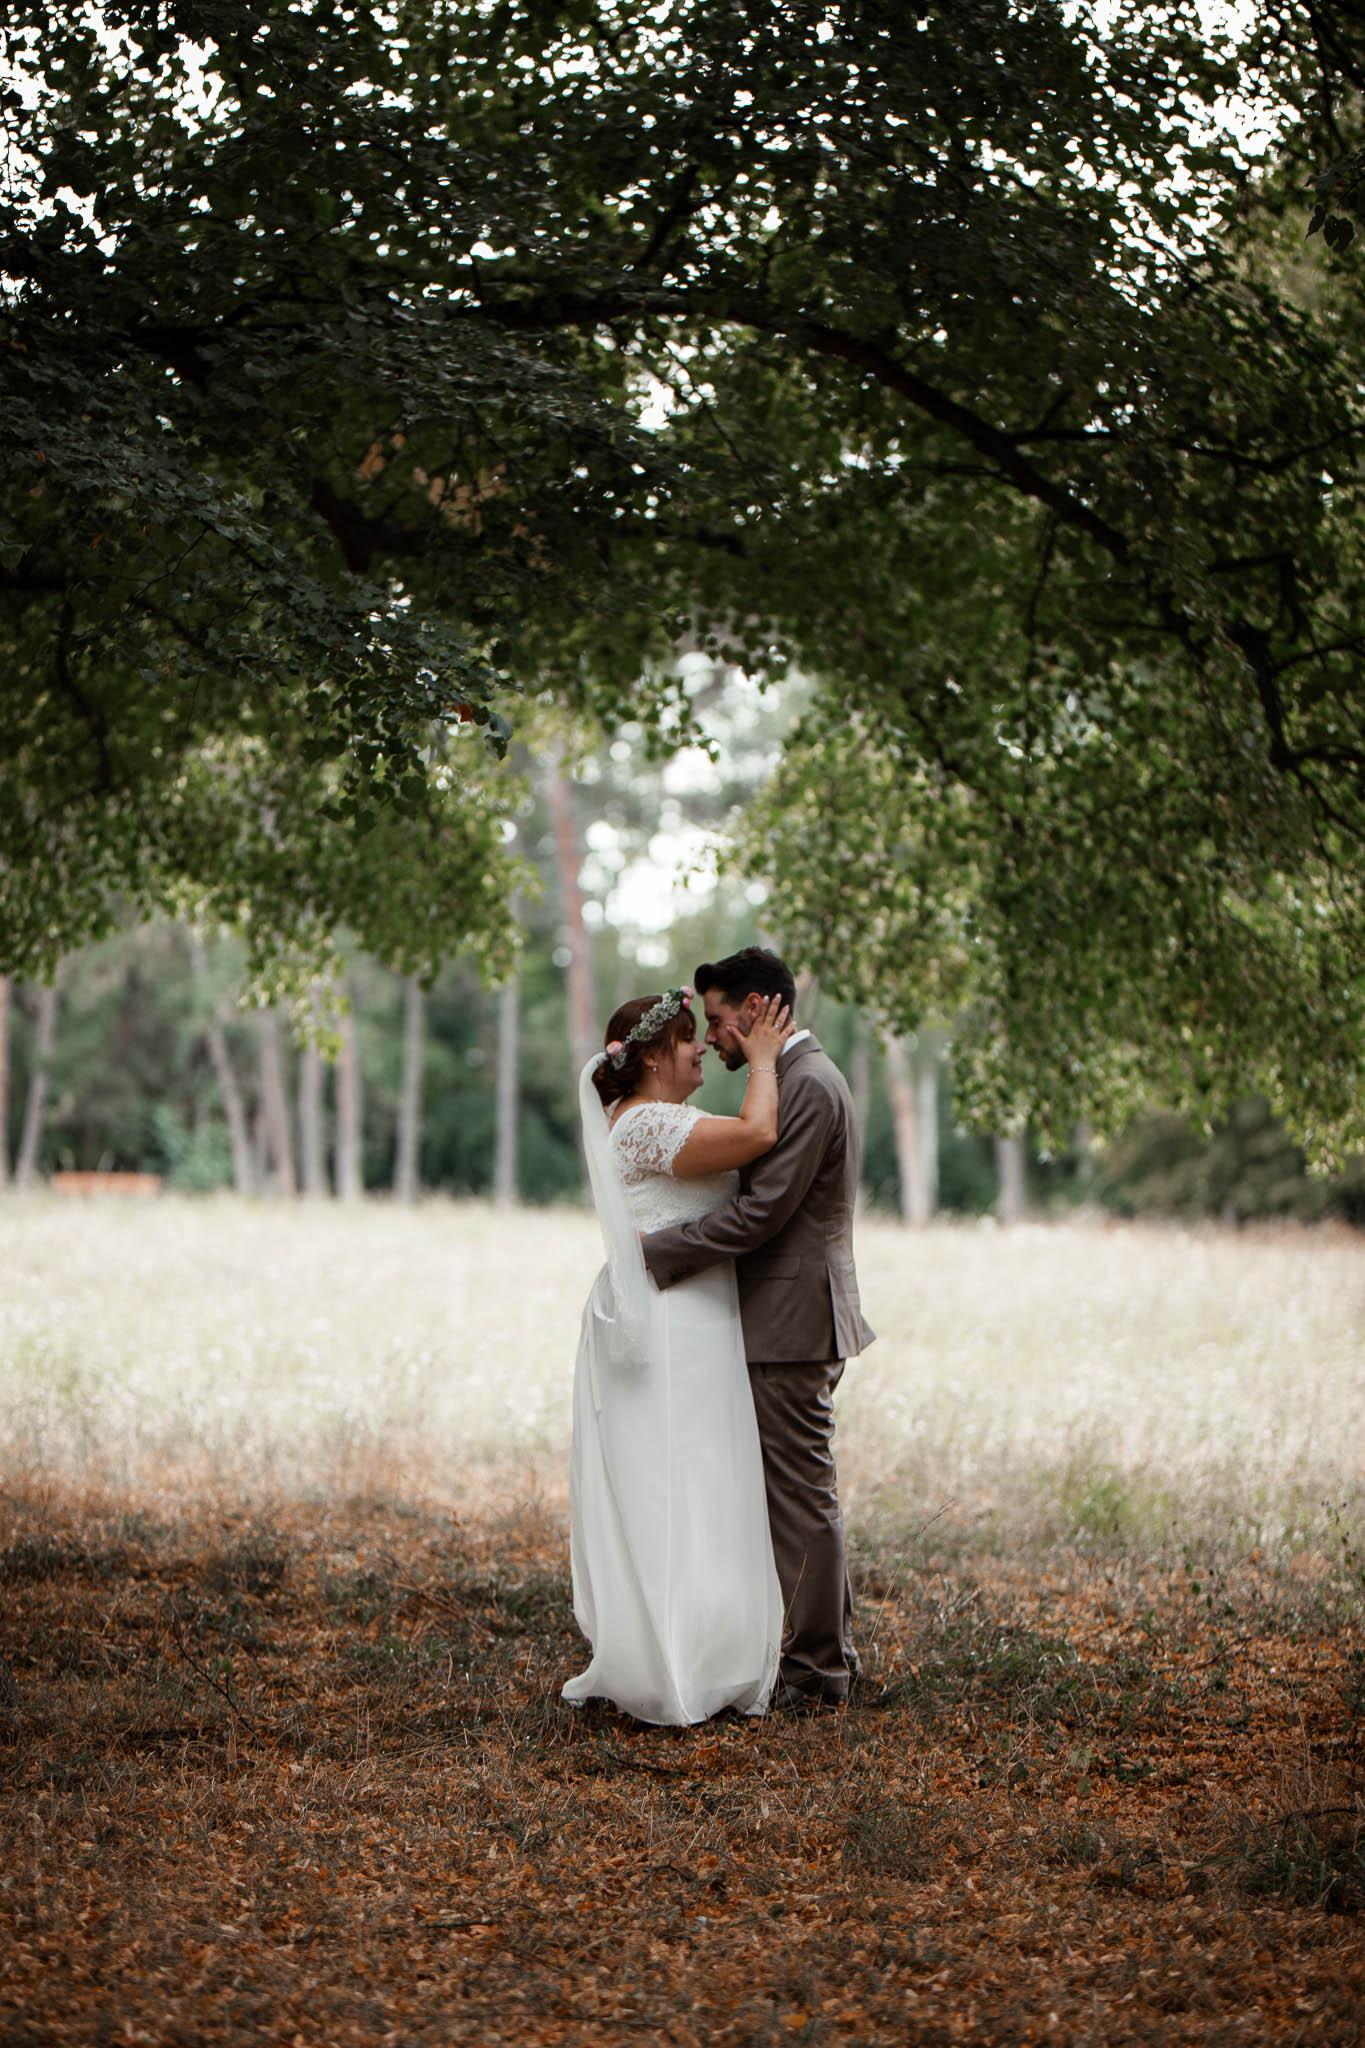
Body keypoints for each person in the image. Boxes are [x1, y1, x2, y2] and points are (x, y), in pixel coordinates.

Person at [640, 947, 875, 1710]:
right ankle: (827, 1659)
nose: (710, 1039)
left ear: (758, 1009)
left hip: (791, 1318)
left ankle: (816, 1675)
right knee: (800, 1493)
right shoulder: (801, 1079)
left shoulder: (806, 1084)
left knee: (800, 1497)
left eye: (717, 1020)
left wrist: (653, 1252)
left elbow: (762, 1213)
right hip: (788, 1315)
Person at [564, 984, 795, 1724]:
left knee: (702, 1477)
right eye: (690, 1039)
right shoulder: (647, 1125)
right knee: (670, 1481)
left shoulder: (653, 1118)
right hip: (667, 1324)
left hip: (695, 1313)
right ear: (658, 1056)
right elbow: (758, 1137)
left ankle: (706, 1649)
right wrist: (762, 1059)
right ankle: (671, 1665)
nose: (702, 1048)